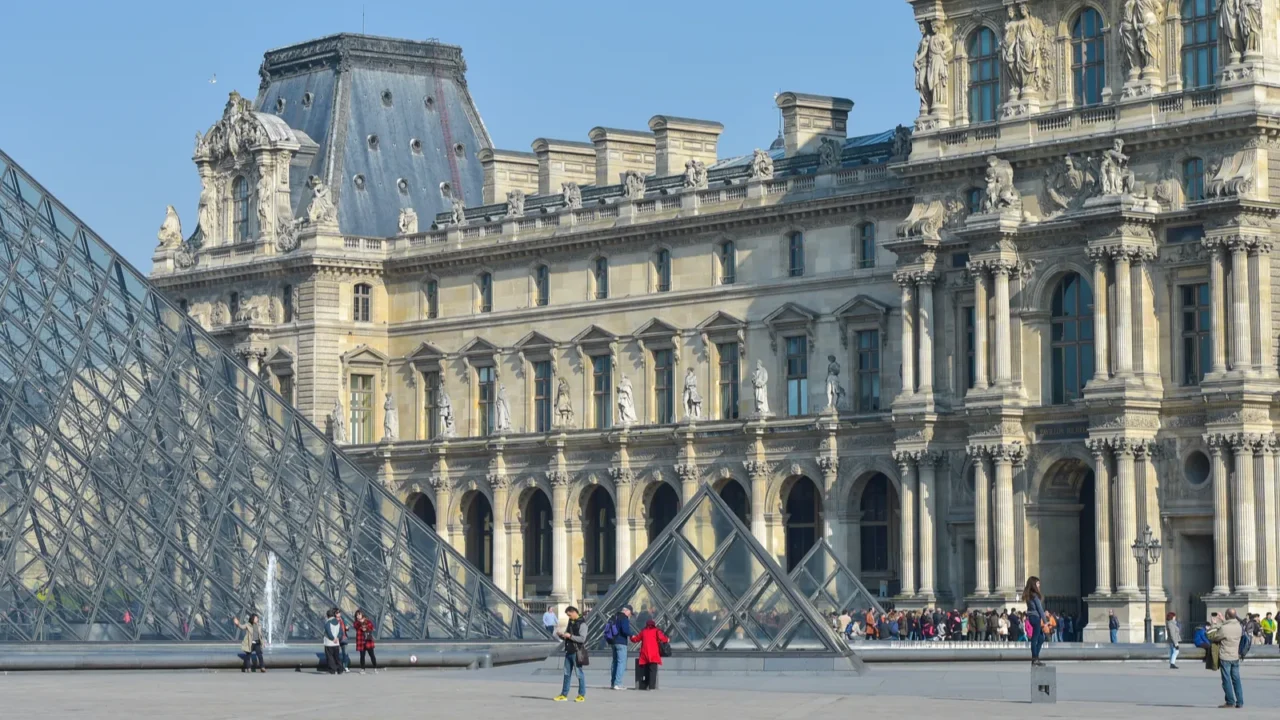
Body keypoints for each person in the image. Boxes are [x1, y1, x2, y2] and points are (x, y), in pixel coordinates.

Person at [1209, 609, 1244, 708]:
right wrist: (1223, 620)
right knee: (1236, 679)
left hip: (1225, 656)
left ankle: (1230, 701)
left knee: (1226, 680)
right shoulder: (1239, 626)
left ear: (1227, 615)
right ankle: (1240, 701)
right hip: (1235, 656)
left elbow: (1214, 637)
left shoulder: (1224, 628)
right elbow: (1229, 629)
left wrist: (1214, 624)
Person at [553, 606, 586, 702]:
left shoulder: (582, 624)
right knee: (566, 674)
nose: (569, 617)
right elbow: (568, 637)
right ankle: (564, 694)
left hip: (577, 652)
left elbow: (582, 639)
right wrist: (562, 636)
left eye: (569, 615)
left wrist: (570, 636)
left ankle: (581, 695)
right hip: (569, 651)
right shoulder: (570, 622)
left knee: (579, 674)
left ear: (574, 612)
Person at [631, 619, 670, 691]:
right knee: (653, 671)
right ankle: (651, 687)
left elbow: (636, 639)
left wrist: (631, 637)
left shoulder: (643, 631)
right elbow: (662, 638)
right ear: (654, 625)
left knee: (646, 670)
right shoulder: (656, 631)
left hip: (645, 654)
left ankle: (645, 685)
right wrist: (667, 639)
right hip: (653, 654)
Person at [605, 605, 633, 691]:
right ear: (627, 611)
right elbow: (625, 630)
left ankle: (613, 683)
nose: (630, 615)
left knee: (615, 662)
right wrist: (632, 634)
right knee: (621, 663)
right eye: (630, 613)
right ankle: (618, 684)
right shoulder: (624, 618)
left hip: (613, 642)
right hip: (621, 642)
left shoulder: (614, 616)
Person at [1024, 576, 1046, 667]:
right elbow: (1040, 609)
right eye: (1037, 583)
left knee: (1041, 638)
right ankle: (1035, 659)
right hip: (1036, 618)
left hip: (1031, 617)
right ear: (1034, 584)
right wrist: (1045, 621)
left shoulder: (1029, 595)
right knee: (1035, 639)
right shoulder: (1035, 596)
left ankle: (1035, 658)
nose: (1039, 585)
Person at [353, 609, 377, 674]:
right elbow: (356, 626)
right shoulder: (356, 622)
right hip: (361, 642)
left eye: (359, 614)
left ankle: (375, 667)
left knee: (372, 655)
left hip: (368, 641)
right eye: (357, 615)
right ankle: (362, 669)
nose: (358, 616)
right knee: (362, 656)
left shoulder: (368, 621)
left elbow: (371, 627)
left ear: (362, 614)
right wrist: (361, 624)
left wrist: (366, 627)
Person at [322, 609, 343, 675]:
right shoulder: (338, 622)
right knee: (336, 657)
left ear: (327, 616)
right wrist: (337, 638)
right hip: (336, 643)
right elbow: (341, 632)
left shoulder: (327, 622)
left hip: (329, 643)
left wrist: (332, 638)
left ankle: (332, 670)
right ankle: (340, 669)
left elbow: (328, 632)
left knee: (330, 657)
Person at [334, 608, 350, 673]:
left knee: (345, 653)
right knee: (336, 653)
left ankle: (345, 666)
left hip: (343, 638)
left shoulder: (343, 619)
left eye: (339, 612)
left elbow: (346, 628)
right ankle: (337, 667)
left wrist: (347, 628)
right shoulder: (334, 620)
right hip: (336, 639)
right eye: (337, 613)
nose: (338, 614)